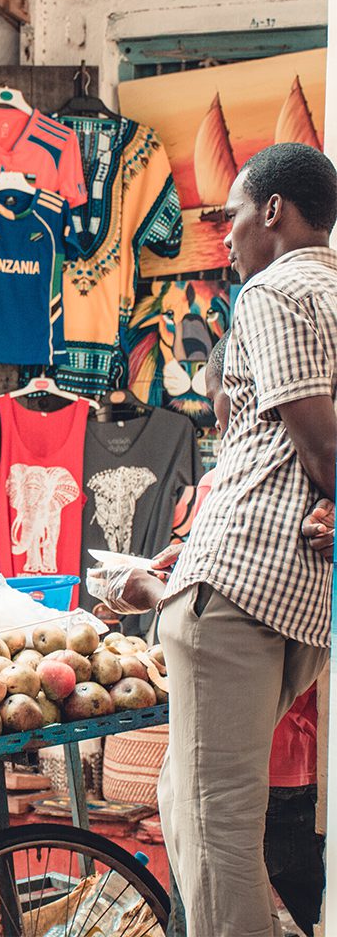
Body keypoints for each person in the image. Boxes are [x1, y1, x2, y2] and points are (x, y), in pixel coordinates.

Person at [155, 144, 337, 937]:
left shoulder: (274, 289)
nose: (224, 238)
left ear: (273, 212)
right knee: (182, 797)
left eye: (231, 216)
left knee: (216, 823)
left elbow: (322, 447)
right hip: (294, 598)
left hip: (239, 594)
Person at [95, 333, 327, 937]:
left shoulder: (254, 490)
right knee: (223, 875)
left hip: (275, 753)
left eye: (223, 401)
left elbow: (235, 597)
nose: (221, 418)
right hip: (271, 752)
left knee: (224, 869)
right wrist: (171, 573)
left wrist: (151, 592)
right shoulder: (258, 488)